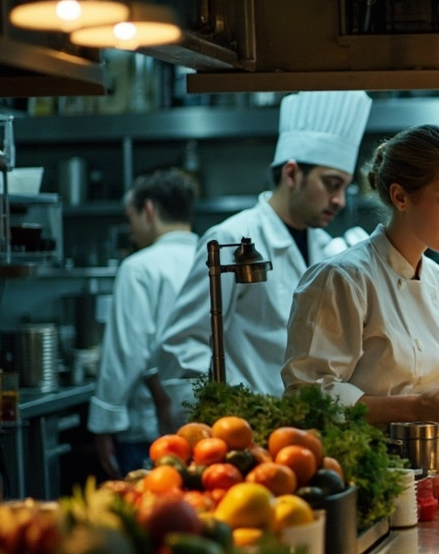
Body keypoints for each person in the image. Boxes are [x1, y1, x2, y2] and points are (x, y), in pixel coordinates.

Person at [282, 125, 439, 427]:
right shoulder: (341, 279)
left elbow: (438, 403)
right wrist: (415, 408)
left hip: (438, 468)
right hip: (364, 470)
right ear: (400, 197)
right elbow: (308, 399)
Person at [154, 90, 373, 421]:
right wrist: (225, 413)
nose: (339, 200)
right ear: (291, 174)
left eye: (344, 188)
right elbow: (183, 345)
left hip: (308, 431)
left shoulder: (326, 249)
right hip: (246, 428)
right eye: (331, 184)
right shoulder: (231, 239)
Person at [87, 168, 199, 478]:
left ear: (148, 210)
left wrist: (103, 425)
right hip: (207, 423)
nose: (130, 229)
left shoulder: (138, 267)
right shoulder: (211, 257)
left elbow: (126, 353)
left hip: (148, 429)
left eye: (130, 218)